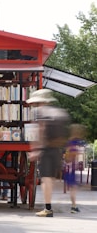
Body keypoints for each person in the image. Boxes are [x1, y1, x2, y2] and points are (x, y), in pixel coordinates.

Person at [27, 89, 70, 217]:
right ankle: (50, 204)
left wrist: (36, 149)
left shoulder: (39, 111)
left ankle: (48, 209)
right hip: (57, 149)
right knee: (51, 178)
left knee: (45, 179)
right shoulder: (59, 112)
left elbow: (40, 129)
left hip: (45, 149)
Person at [64, 124, 86, 213]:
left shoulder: (70, 141)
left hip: (69, 168)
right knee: (73, 188)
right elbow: (72, 154)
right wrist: (77, 154)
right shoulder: (74, 142)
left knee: (73, 188)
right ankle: (73, 206)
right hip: (71, 168)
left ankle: (74, 205)